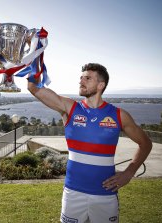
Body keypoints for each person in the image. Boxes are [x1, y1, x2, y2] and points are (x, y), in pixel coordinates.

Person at [28, 63, 152, 223]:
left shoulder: (119, 115)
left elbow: (145, 143)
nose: (81, 81)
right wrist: (35, 55)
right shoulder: (70, 108)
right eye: (81, 78)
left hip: (105, 194)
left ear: (101, 85)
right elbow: (33, 88)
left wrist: (129, 172)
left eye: (87, 78)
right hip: (73, 193)